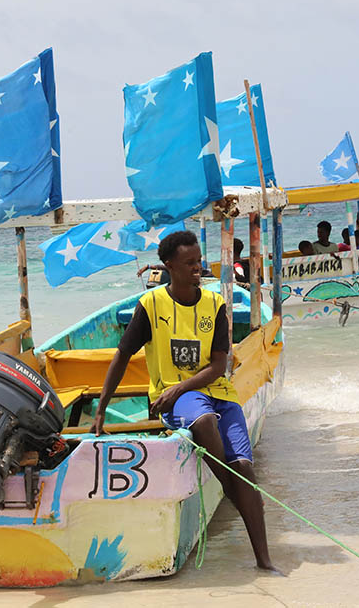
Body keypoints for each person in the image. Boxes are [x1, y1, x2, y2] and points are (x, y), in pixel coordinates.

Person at [93, 230, 276, 572]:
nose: (198, 267)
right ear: (169, 266)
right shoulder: (151, 305)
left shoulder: (214, 304)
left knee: (245, 468)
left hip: (218, 392)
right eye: (189, 263)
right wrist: (102, 408)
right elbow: (121, 355)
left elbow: (219, 366)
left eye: (199, 261)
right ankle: (231, 489)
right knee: (204, 423)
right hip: (181, 399)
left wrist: (177, 389)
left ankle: (264, 560)